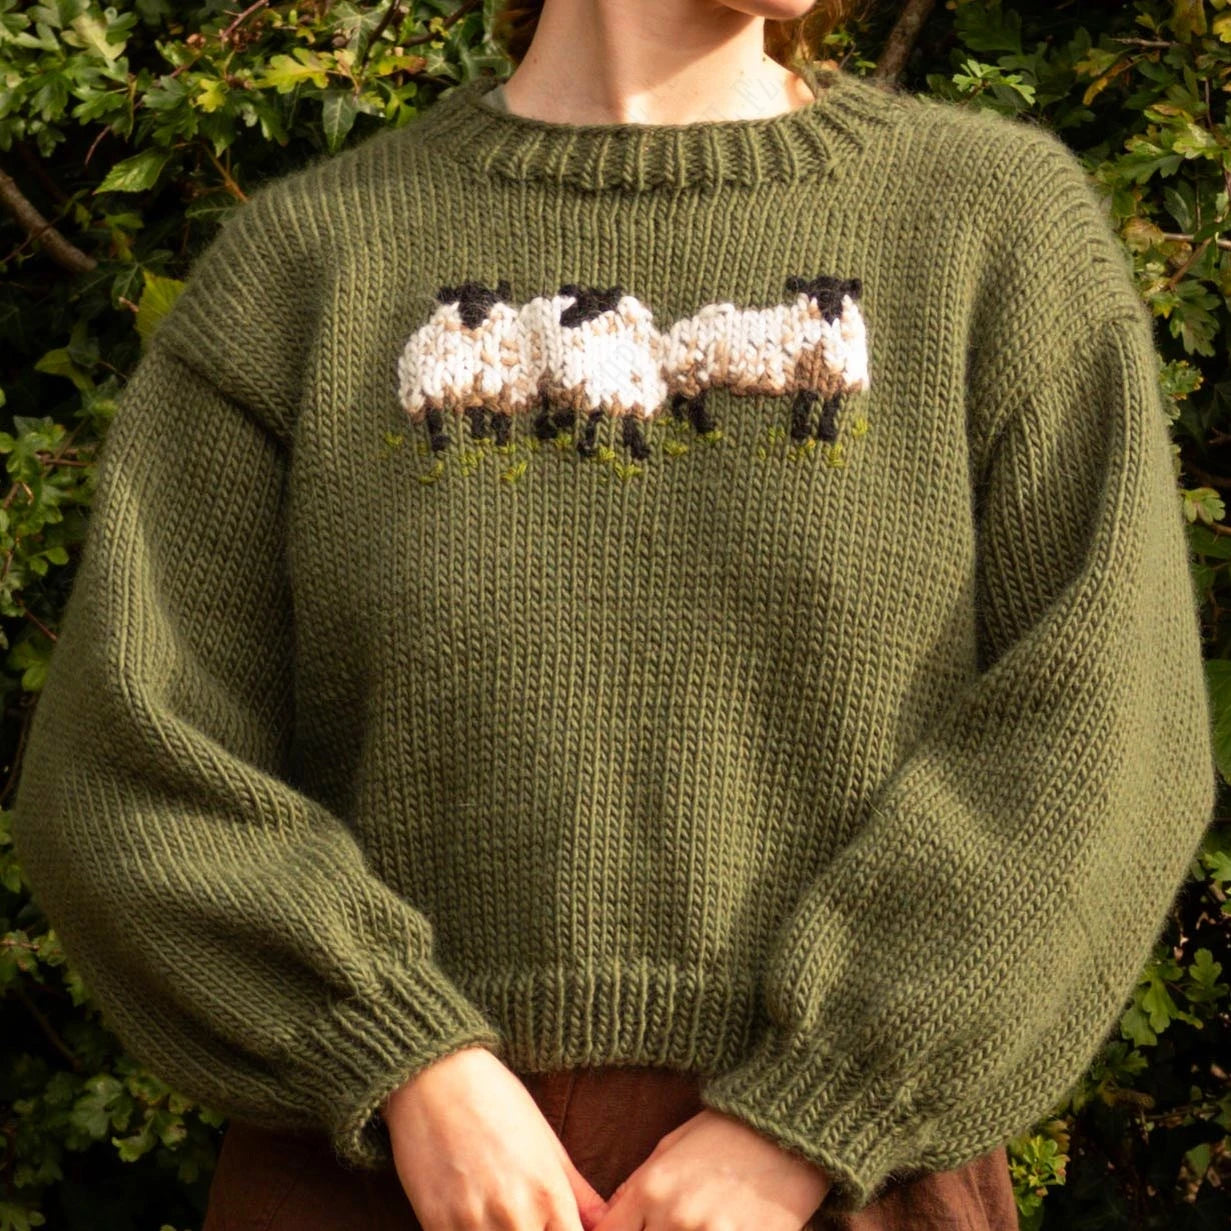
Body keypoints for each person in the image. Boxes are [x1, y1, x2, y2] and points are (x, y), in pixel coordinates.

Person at [9, 1, 1218, 1230]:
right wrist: (404, 1060)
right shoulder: (310, 263)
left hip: (845, 1186)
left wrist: (813, 1109)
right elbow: (129, 751)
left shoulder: (986, 226)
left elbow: (1107, 728)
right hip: (384, 1173)